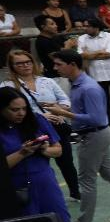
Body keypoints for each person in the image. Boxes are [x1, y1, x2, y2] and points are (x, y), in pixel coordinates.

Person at [0, 87, 105, 222]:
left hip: (45, 180)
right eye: (14, 110)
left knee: (62, 221)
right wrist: (22, 153)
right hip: (17, 187)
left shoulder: (37, 120)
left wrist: (44, 150)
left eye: (23, 108)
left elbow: (58, 150)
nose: (21, 113)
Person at [45, 50, 110, 222]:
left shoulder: (88, 88)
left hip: (93, 136)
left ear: (72, 64)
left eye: (59, 64)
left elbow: (96, 118)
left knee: (87, 180)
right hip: (95, 135)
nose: (55, 68)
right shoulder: (76, 85)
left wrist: (63, 113)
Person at [2, 49, 80, 198]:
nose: (25, 66)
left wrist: (57, 110)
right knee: (36, 160)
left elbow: (65, 101)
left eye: (28, 62)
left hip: (56, 125)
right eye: (19, 64)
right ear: (12, 66)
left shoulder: (46, 81)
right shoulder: (7, 86)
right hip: (29, 129)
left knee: (66, 160)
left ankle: (75, 190)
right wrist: (42, 116)